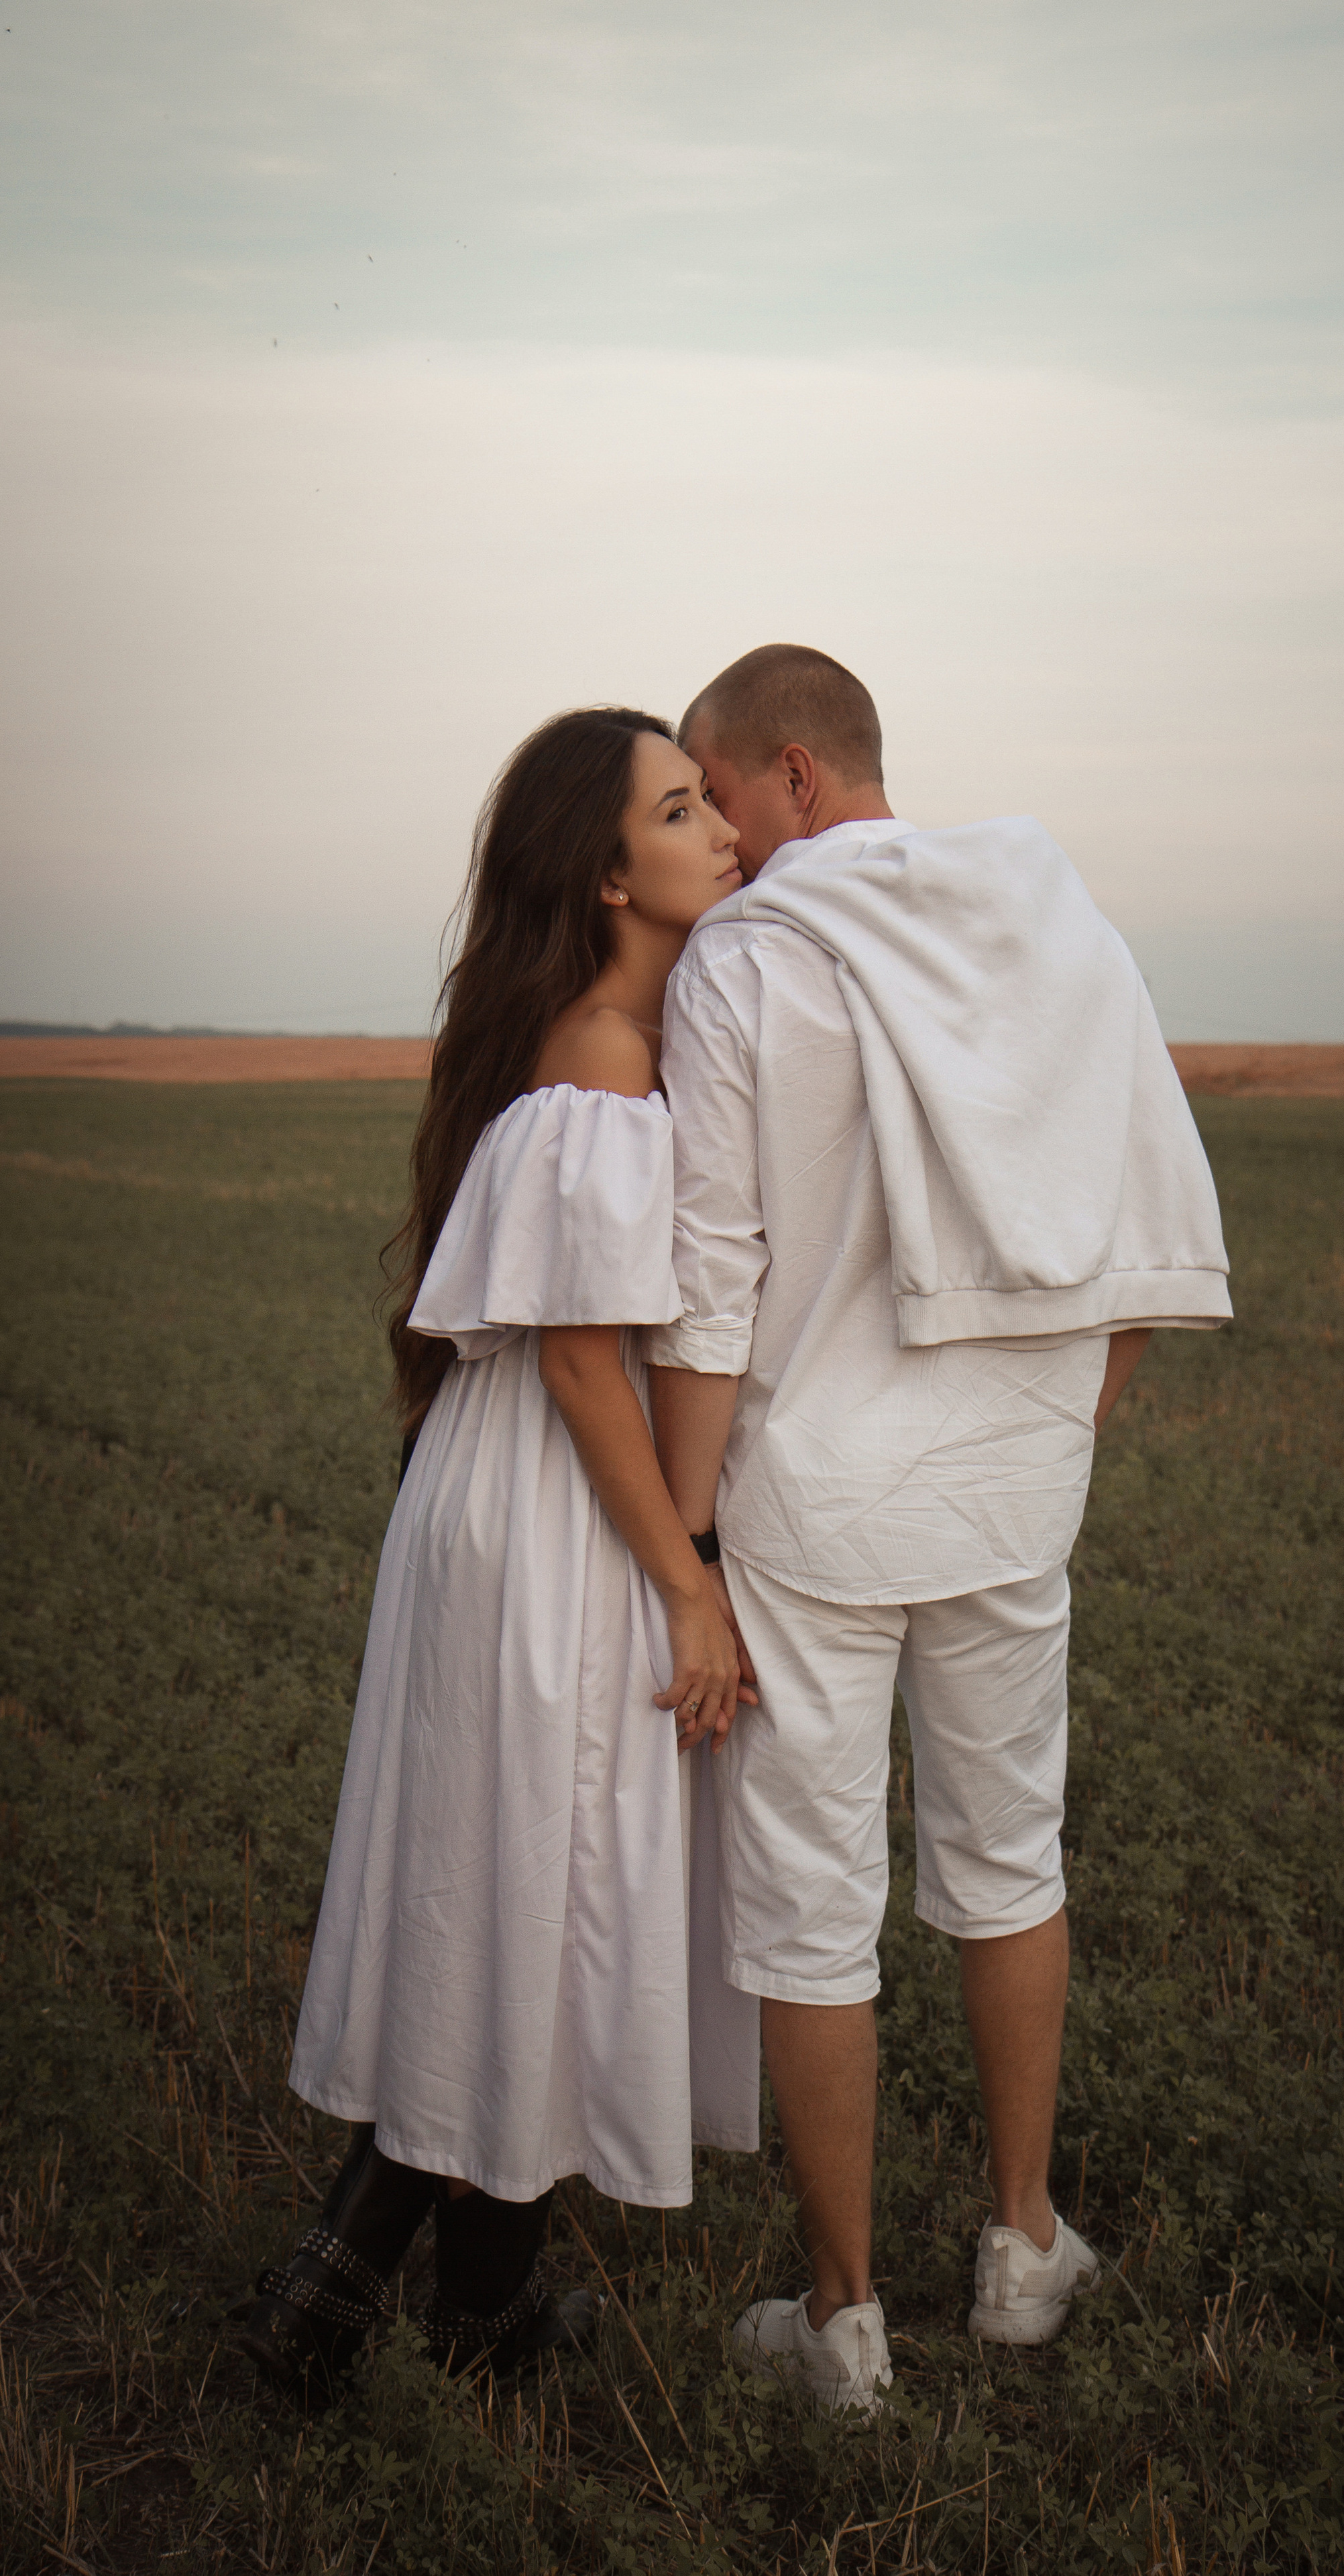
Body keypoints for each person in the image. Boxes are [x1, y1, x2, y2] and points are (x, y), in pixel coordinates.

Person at [647, 645, 1231, 2414]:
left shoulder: (746, 962)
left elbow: (710, 1290)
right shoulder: (1061, 930)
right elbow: (1140, 1216)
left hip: (811, 1502)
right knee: (1008, 1859)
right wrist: (1055, 1436)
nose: (720, 842)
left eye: (718, 794)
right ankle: (1026, 2247)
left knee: (815, 1907)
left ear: (798, 772)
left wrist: (680, 1549)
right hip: (1009, 1488)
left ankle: (842, 2330)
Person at [237, 707, 759, 2400]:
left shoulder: (596, 1033)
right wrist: (687, 1582)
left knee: (507, 1889)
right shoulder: (603, 1056)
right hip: (553, 1513)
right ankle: (392, 2323)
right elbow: (581, 1360)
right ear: (610, 874)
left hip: (506, 1502)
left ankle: (411, 2312)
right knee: (536, 1891)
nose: (722, 830)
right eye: (682, 811)